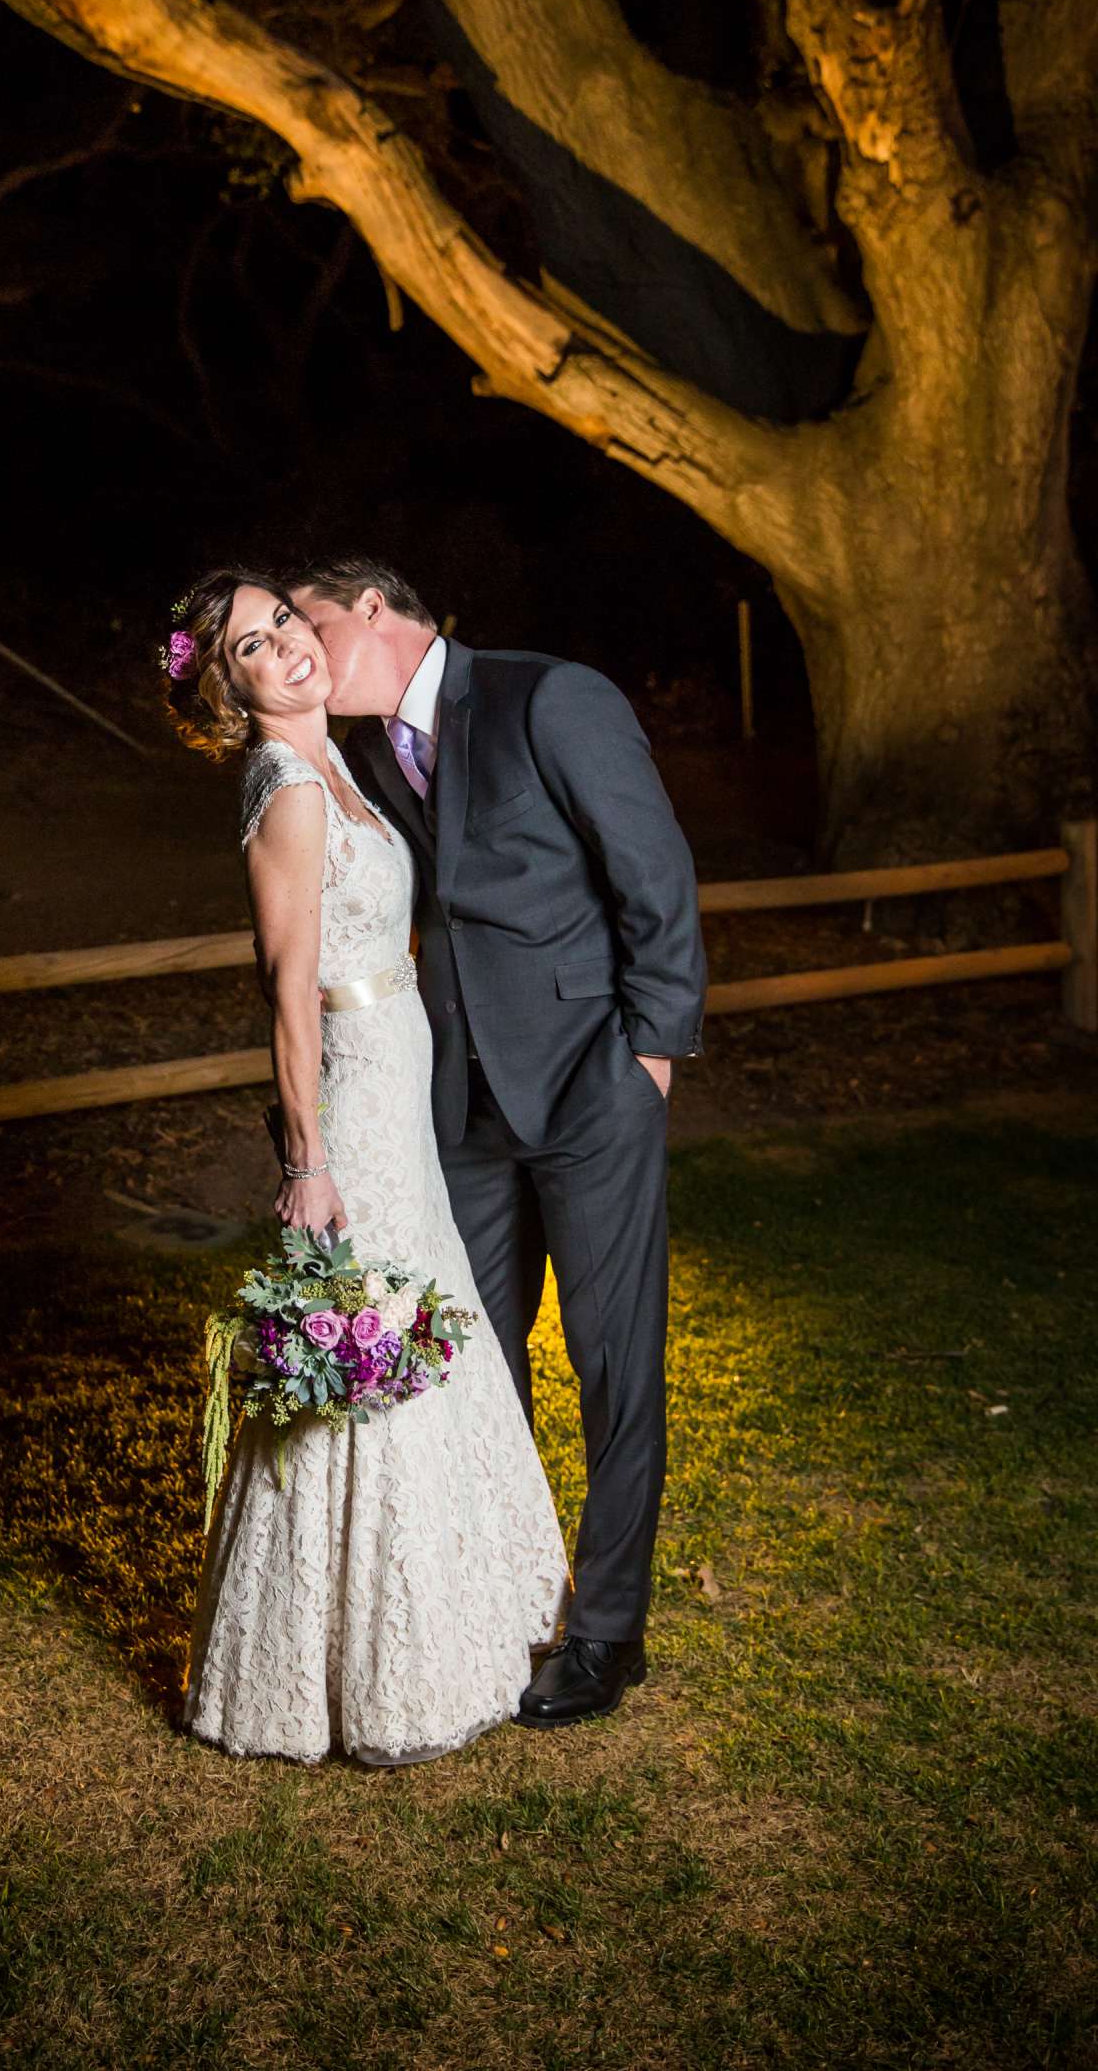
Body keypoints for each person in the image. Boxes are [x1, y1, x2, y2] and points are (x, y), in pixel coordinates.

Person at [287, 557, 706, 1731]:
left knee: (614, 1366)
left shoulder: (548, 698)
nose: (305, 651)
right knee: (476, 1364)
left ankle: (608, 1633)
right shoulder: (361, 748)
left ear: (370, 605)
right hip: (454, 1109)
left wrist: (649, 1057)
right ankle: (506, 1592)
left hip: (590, 1085)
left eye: (309, 622)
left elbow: (653, 877)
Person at [164, 568, 568, 1767]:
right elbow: (285, 986)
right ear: (233, 694)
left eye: (283, 621)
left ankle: (461, 1615)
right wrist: (306, 1157)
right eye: (252, 645)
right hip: (349, 1092)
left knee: (413, 1315)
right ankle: (356, 1674)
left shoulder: (337, 760)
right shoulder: (285, 788)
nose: (287, 644)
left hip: (397, 1071)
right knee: (364, 1341)